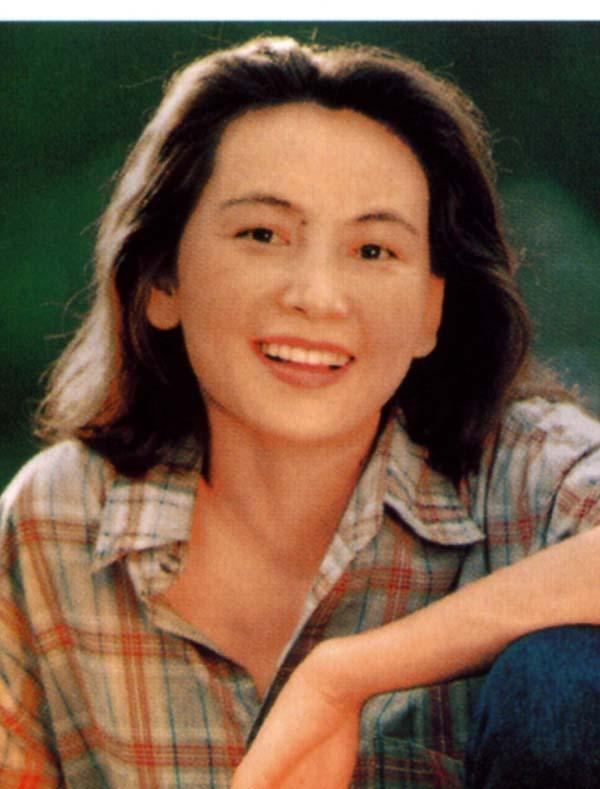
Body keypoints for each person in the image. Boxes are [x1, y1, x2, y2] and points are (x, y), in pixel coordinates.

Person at [1, 35, 598, 788]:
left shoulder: (527, 474)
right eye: (263, 234)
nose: (318, 296)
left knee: (563, 680)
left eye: (373, 250)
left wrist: (343, 677)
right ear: (161, 281)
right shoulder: (55, 522)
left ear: (430, 311)